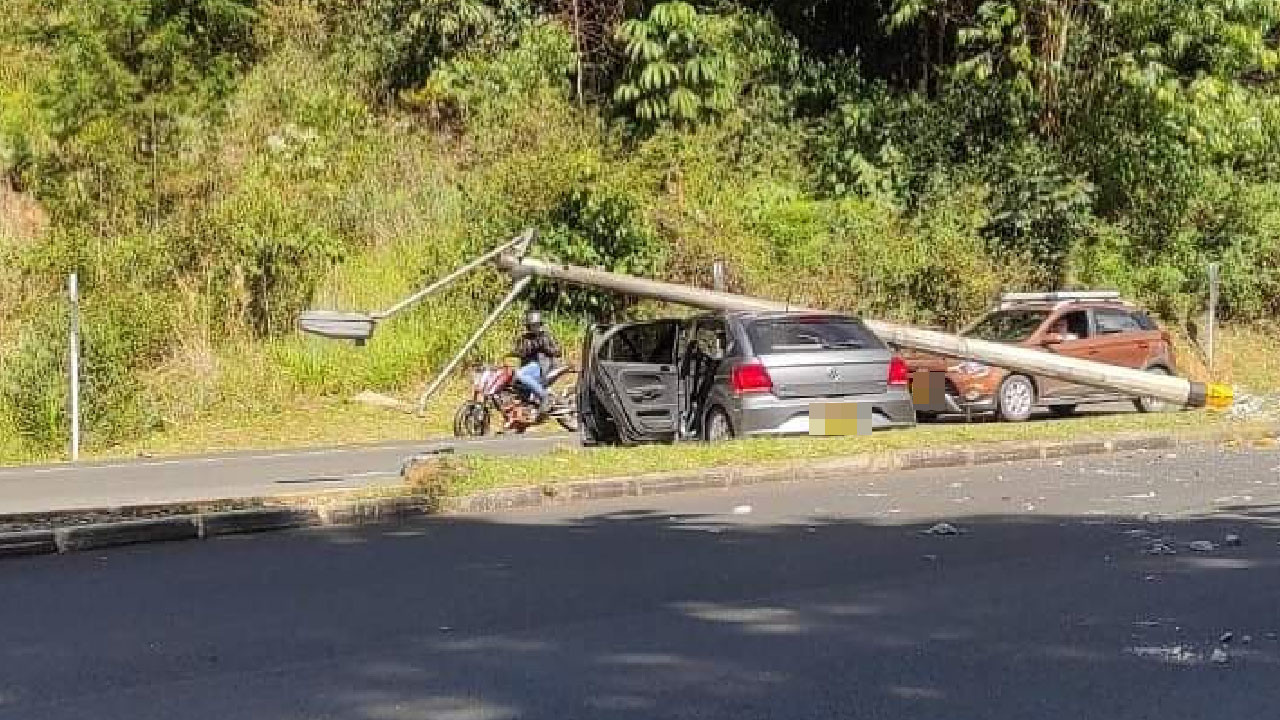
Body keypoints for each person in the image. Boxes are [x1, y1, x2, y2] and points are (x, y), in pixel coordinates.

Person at [510, 310, 561, 416]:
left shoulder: (546, 336)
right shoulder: (524, 338)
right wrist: (520, 351)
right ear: (528, 326)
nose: (534, 327)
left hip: (543, 367)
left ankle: (544, 397)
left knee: (520, 374)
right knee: (512, 380)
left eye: (536, 325)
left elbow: (558, 351)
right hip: (529, 368)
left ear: (540, 324)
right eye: (532, 325)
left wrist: (545, 348)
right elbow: (517, 350)